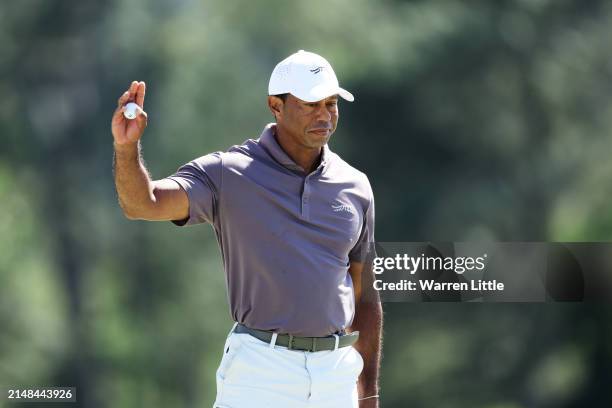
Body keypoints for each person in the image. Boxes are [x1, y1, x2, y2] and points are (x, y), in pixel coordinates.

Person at [111, 50, 382, 407]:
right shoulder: (228, 173)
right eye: (310, 104)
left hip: (335, 374)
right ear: (275, 106)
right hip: (260, 369)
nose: (324, 115)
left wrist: (369, 391)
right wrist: (126, 147)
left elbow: (365, 295)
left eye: (331, 103)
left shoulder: (355, 184)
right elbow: (141, 203)